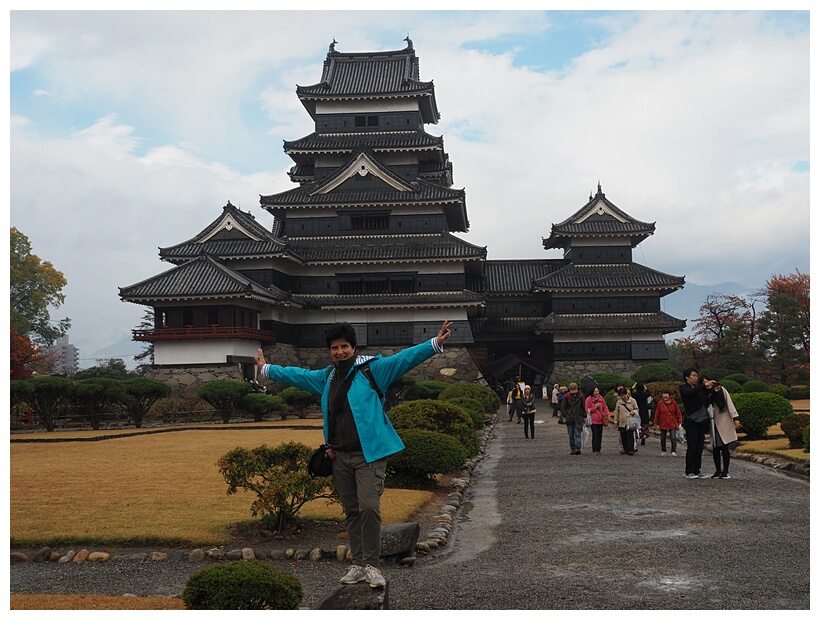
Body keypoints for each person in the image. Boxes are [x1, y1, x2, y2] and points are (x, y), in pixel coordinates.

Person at [255, 320, 452, 588]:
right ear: (330, 351)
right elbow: (297, 375)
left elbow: (403, 359)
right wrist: (267, 368)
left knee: (369, 508)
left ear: (354, 348)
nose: (339, 352)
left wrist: (434, 344)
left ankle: (372, 565)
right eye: (335, 347)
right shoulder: (327, 377)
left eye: (344, 346)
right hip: (339, 457)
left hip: (369, 455)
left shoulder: (373, 371)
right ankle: (358, 565)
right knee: (352, 512)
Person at [679, 368, 716, 479]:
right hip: (691, 421)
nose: (696, 377)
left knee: (700, 446)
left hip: (701, 420)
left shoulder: (698, 389)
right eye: (694, 375)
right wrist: (704, 386)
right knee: (692, 446)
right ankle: (689, 470)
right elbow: (690, 393)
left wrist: (710, 390)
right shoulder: (684, 388)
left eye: (696, 376)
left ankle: (697, 469)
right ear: (687, 377)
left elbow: (705, 400)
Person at [704, 378, 741, 479]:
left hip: (723, 419)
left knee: (724, 447)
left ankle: (725, 471)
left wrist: (735, 417)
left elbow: (729, 403)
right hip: (712, 422)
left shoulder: (721, 389)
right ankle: (717, 470)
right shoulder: (704, 392)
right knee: (715, 447)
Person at [653, 389, 683, 456]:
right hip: (663, 422)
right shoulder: (660, 403)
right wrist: (655, 422)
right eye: (664, 394)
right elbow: (657, 413)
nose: (665, 396)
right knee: (663, 438)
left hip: (672, 423)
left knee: (673, 437)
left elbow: (678, 413)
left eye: (666, 394)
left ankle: (673, 450)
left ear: (669, 395)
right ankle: (663, 450)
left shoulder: (674, 403)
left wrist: (680, 421)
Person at [560, 382, 585, 455]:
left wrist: (584, 415)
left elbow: (583, 407)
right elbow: (563, 407)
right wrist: (566, 414)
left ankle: (577, 447)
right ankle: (573, 448)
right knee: (571, 435)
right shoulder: (567, 396)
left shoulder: (581, 396)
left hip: (578, 416)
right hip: (570, 417)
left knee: (577, 433)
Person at [584, 386, 611, 455]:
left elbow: (605, 408)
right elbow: (587, 410)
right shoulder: (588, 400)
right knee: (595, 434)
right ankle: (595, 449)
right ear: (592, 392)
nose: (597, 392)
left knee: (600, 435)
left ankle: (599, 449)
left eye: (597, 391)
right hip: (593, 420)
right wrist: (594, 408)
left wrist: (608, 415)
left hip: (601, 420)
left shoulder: (601, 398)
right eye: (595, 391)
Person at [614, 388, 639, 455]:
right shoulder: (619, 402)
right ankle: (625, 449)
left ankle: (630, 449)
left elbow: (636, 408)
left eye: (623, 395)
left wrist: (634, 412)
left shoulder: (633, 401)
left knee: (630, 435)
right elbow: (616, 412)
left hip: (630, 421)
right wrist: (615, 422)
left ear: (626, 394)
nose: (623, 397)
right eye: (621, 396)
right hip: (622, 421)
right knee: (623, 435)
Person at [632, 382, 653, 451]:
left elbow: (629, 393)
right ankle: (643, 438)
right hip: (644, 411)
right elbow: (649, 393)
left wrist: (632, 387)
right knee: (644, 424)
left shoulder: (635, 395)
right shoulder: (645, 394)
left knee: (636, 424)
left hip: (637, 411)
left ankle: (636, 437)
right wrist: (646, 388)